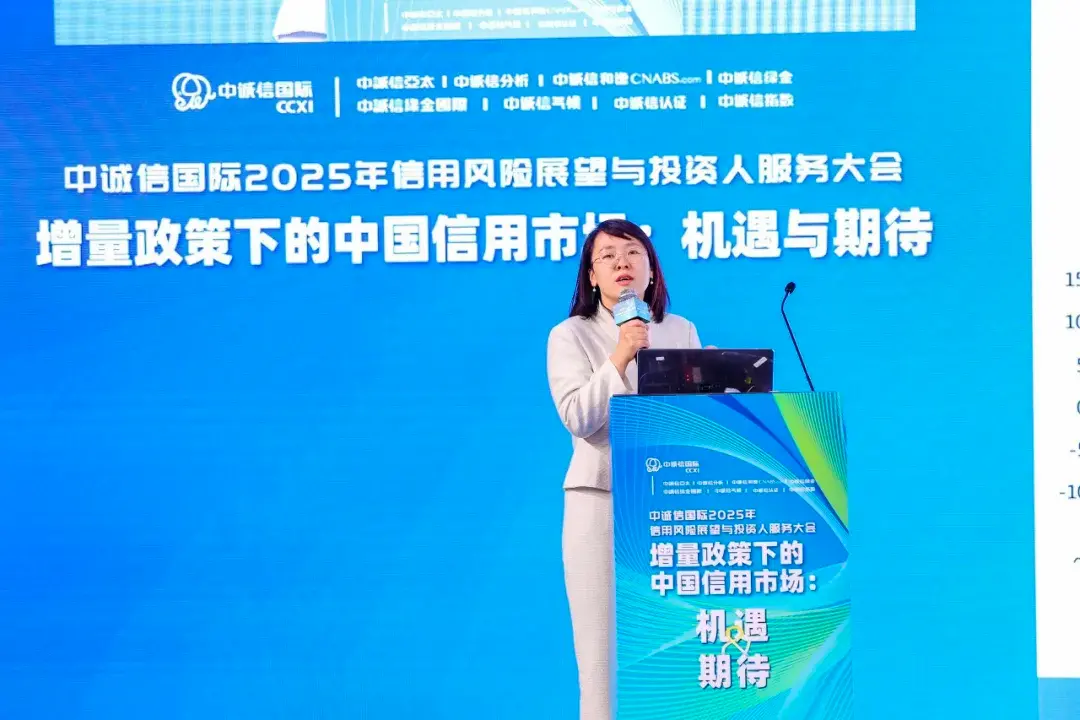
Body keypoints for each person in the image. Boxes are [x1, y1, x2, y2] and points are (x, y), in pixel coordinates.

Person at [546, 218, 702, 720]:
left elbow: (696, 417)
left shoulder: (680, 330)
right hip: (600, 503)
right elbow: (579, 417)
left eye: (633, 252)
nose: (622, 263)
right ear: (591, 277)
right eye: (608, 256)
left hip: (669, 504)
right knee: (601, 662)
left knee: (673, 649)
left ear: (651, 269)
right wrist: (620, 355)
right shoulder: (569, 335)